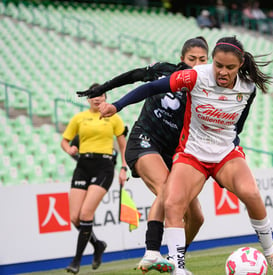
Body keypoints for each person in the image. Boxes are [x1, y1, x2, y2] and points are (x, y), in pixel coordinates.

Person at [98, 36, 273, 275]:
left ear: (240, 65)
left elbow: (237, 126)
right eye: (218, 64)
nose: (222, 71)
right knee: (172, 202)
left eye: (229, 67)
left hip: (224, 153)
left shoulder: (248, 87)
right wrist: (116, 105)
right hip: (192, 154)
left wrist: (226, 143)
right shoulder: (195, 75)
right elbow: (150, 87)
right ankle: (177, 268)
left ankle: (271, 255)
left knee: (251, 193)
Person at [77, 37, 209, 274]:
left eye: (202, 60)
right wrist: (103, 90)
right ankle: (151, 251)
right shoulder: (165, 71)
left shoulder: (206, 87)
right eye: (192, 59)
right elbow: (134, 77)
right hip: (144, 140)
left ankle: (174, 256)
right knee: (166, 187)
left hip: (174, 153)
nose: (196, 64)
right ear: (182, 59)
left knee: (197, 217)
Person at [61, 84, 128, 274]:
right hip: (83, 166)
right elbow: (64, 141)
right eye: (93, 96)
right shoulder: (79, 118)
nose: (97, 98)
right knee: (75, 218)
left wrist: (123, 168)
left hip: (104, 167)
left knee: (85, 214)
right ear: (88, 99)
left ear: (105, 97)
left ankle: (76, 261)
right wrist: (69, 150)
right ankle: (98, 245)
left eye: (100, 95)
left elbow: (123, 146)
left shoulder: (113, 116)